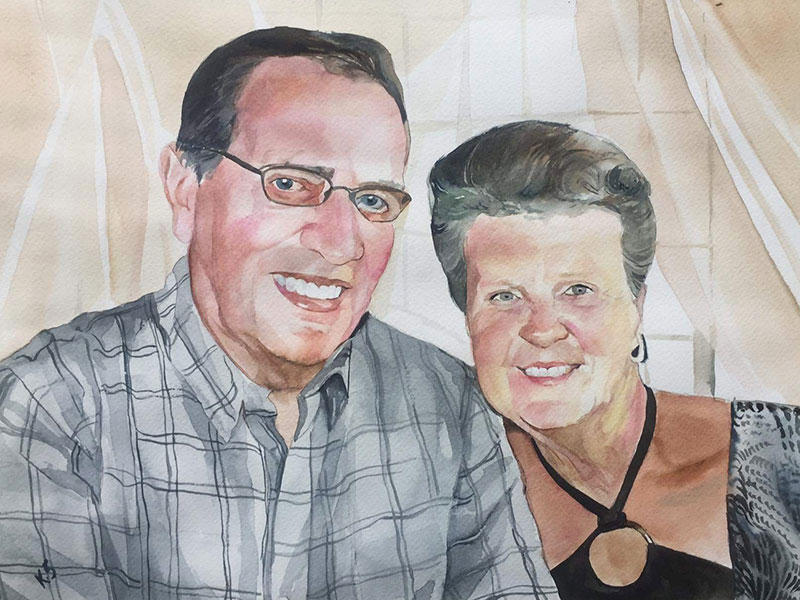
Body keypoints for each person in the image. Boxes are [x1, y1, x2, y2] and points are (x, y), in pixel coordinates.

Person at [0, 30, 558, 599]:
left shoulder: (448, 403)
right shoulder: (52, 403)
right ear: (185, 187)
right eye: (289, 184)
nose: (342, 243)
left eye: (373, 200)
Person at [428, 120, 800, 599]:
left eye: (578, 290)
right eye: (504, 297)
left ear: (636, 306)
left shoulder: (785, 457)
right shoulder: (443, 496)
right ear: (468, 316)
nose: (542, 329)